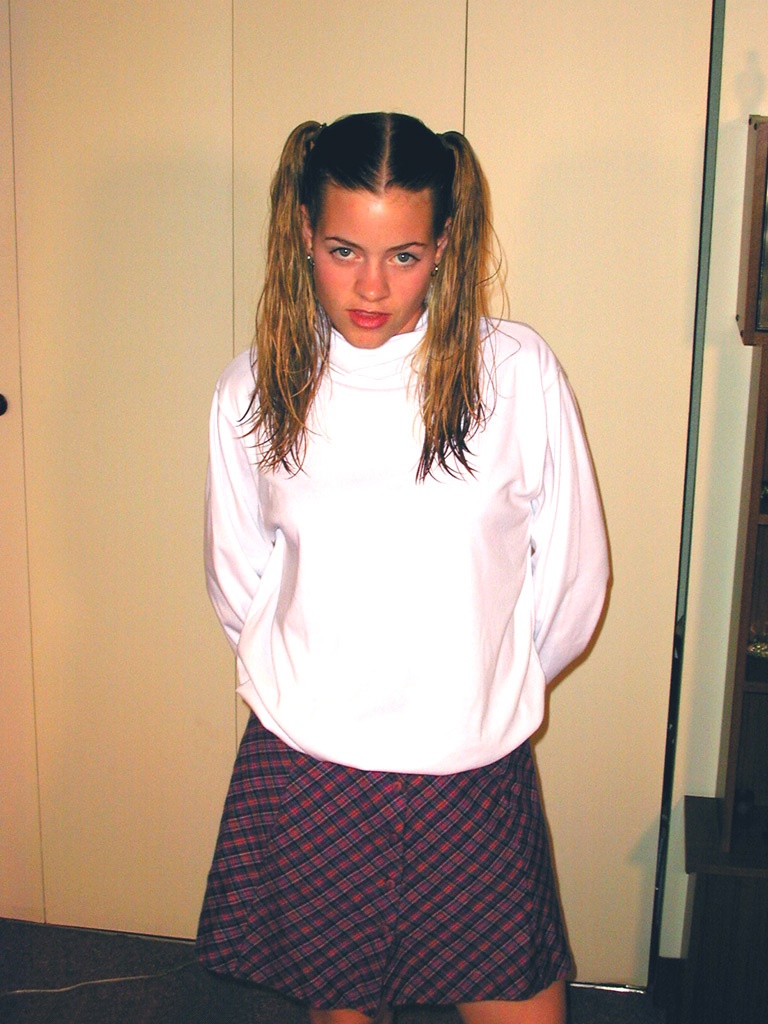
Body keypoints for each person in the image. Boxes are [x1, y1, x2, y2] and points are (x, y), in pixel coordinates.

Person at [196, 112, 609, 1024]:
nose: (372, 287)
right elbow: (239, 582)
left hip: (470, 768)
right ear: (303, 232)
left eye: (405, 255)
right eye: (343, 251)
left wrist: (478, 690)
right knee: (342, 1012)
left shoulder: (515, 374)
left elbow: (574, 580)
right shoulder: (253, 389)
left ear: (445, 244)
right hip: (313, 769)